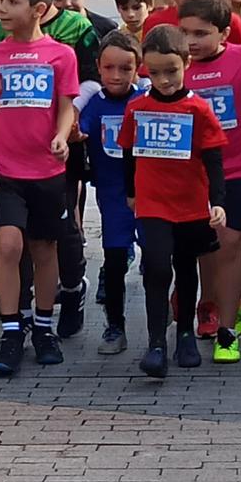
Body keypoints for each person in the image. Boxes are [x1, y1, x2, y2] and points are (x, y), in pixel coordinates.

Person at [0, 0, 80, 378]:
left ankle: (44, 326)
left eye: (11, 1)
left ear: (38, 9)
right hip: (6, 170)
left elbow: (66, 102)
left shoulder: (60, 54)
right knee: (8, 246)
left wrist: (61, 134)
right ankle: (11, 329)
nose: (0, 7)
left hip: (47, 170)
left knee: (44, 249)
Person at [176, 0, 241, 358]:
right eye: (185, 32)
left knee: (230, 242)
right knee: (206, 245)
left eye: (200, 33)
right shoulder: (177, 68)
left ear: (223, 33)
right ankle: (227, 299)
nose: (191, 42)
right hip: (192, 172)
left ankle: (226, 331)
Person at [122, 25, 229, 378]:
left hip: (191, 203)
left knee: (186, 267)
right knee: (155, 265)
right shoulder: (137, 108)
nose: (164, 80)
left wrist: (217, 201)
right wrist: (131, 193)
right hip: (153, 202)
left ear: (186, 62)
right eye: (154, 73)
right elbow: (128, 154)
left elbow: (213, 159)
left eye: (171, 70)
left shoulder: (199, 110)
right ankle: (156, 342)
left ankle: (185, 333)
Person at [79, 30, 140, 357]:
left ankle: (167, 318)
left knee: (160, 261)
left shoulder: (144, 99)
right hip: (114, 197)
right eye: (109, 68)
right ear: (99, 68)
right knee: (115, 262)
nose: (116, 76)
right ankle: (115, 324)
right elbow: (79, 129)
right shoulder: (94, 104)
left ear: (137, 68)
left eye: (125, 68)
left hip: (151, 194)